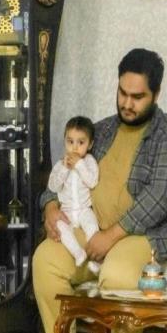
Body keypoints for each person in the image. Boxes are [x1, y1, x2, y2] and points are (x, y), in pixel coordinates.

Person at [33, 48, 167, 333]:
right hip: (92, 228)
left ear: (156, 94)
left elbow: (161, 196)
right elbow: (63, 173)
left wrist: (111, 236)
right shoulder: (101, 131)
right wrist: (50, 206)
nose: (127, 104)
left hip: (144, 236)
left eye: (137, 97)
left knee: (118, 274)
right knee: (45, 260)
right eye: (122, 93)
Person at [47, 116, 101, 274]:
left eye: (81, 142)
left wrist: (79, 164)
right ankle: (79, 254)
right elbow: (53, 186)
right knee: (60, 227)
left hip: (84, 209)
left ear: (90, 144)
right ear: (65, 141)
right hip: (67, 211)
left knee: (92, 227)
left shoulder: (89, 162)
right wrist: (65, 168)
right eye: (70, 142)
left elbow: (92, 182)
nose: (75, 148)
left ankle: (96, 261)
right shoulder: (60, 164)